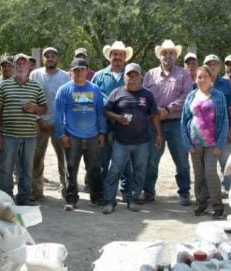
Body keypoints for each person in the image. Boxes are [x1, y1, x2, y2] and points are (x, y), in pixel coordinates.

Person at [103, 63, 162, 213]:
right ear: (125, 78)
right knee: (114, 171)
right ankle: (109, 202)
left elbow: (154, 115)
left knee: (140, 171)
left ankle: (133, 199)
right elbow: (106, 110)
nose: (133, 78)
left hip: (142, 141)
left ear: (141, 77)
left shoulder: (147, 94)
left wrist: (159, 134)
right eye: (129, 75)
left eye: (135, 75)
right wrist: (117, 117)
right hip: (121, 142)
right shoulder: (117, 93)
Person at [142, 39, 194, 206]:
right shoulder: (150, 74)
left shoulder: (184, 74)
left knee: (182, 160)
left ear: (176, 56)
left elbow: (187, 95)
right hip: (154, 123)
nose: (167, 55)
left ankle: (184, 192)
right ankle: (148, 192)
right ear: (159, 55)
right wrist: (156, 110)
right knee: (151, 160)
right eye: (164, 53)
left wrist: (168, 109)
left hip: (176, 123)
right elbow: (144, 97)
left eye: (171, 52)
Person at [53, 58, 106, 211]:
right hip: (72, 136)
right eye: (76, 70)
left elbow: (100, 112)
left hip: (92, 136)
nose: (79, 72)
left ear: (87, 71)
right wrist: (61, 135)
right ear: (71, 72)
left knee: (95, 168)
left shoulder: (95, 89)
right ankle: (71, 199)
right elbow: (58, 115)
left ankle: (96, 197)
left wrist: (102, 132)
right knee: (71, 168)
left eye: (82, 69)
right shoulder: (64, 90)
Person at [0, 53, 46, 205]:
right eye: (18, 64)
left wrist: (34, 107)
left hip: (29, 136)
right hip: (8, 135)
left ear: (29, 66)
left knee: (26, 170)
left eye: (24, 64)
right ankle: (6, 198)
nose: (21, 66)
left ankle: (23, 198)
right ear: (14, 66)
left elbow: (44, 108)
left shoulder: (35, 86)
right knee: (6, 169)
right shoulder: (4, 85)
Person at [181, 65, 229, 220]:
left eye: (205, 77)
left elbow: (224, 121)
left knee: (210, 173)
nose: (202, 80)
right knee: (199, 174)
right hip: (195, 142)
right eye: (199, 77)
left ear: (211, 78)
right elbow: (184, 121)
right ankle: (201, 203)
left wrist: (219, 144)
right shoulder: (191, 96)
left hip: (212, 143)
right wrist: (187, 144)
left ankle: (217, 205)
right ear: (195, 79)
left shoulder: (218, 96)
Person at [29, 47, 71, 201]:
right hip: (39, 122)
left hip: (60, 124)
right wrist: (38, 120)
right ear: (43, 59)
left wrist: (61, 123)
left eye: (53, 56)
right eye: (47, 56)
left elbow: (68, 102)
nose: (50, 58)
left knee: (64, 159)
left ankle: (66, 190)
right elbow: (31, 98)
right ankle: (37, 191)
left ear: (57, 58)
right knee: (36, 158)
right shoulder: (35, 74)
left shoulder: (65, 76)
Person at [92, 41, 132, 196]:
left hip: (125, 125)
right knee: (103, 159)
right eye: (114, 54)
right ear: (110, 56)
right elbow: (94, 99)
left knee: (126, 160)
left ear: (125, 57)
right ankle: (103, 193)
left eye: (121, 54)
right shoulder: (99, 76)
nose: (117, 57)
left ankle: (127, 191)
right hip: (104, 124)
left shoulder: (130, 75)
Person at [204, 54, 231, 192]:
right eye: (209, 64)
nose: (212, 66)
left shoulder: (226, 83)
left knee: (226, 164)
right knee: (206, 166)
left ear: (220, 67)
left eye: (215, 64)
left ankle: (230, 193)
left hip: (223, 130)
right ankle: (208, 193)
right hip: (204, 133)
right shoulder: (198, 82)